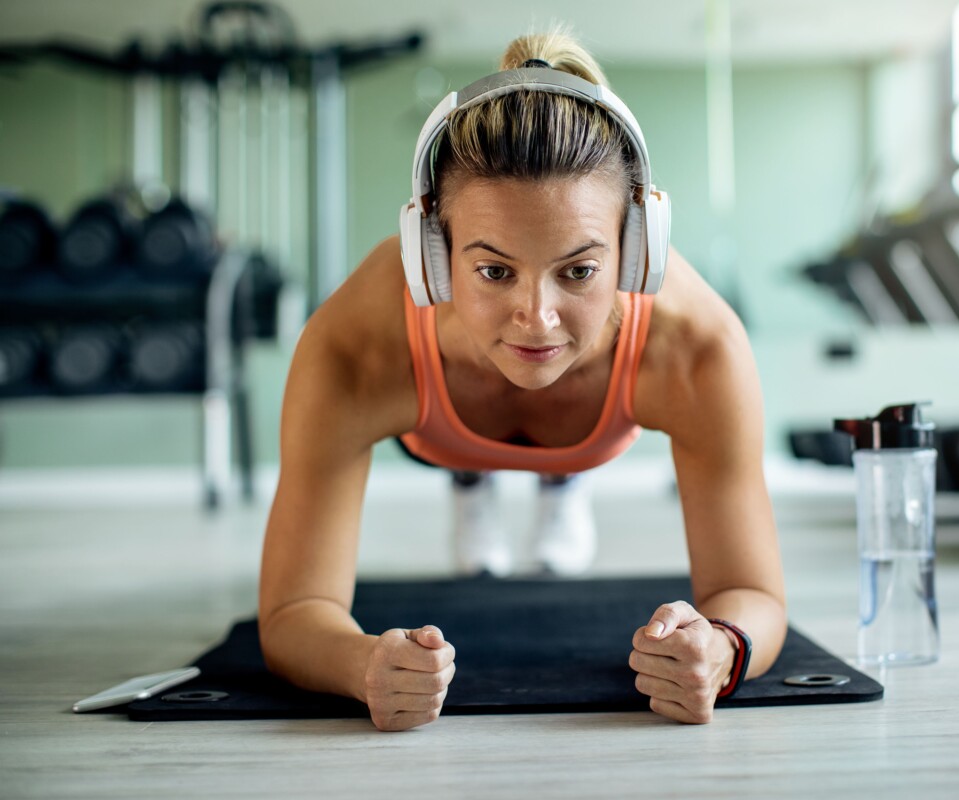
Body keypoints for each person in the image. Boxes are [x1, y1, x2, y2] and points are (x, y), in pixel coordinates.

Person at [258, 28, 787, 732]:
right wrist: (361, 664)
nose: (536, 319)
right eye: (494, 270)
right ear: (433, 258)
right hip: (432, 429)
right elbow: (293, 614)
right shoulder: (356, 344)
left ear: (637, 252)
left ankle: (561, 475)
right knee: (498, 402)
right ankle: (473, 476)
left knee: (545, 376)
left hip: (598, 416)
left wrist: (721, 647)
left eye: (579, 270)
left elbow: (753, 592)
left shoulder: (698, 348)